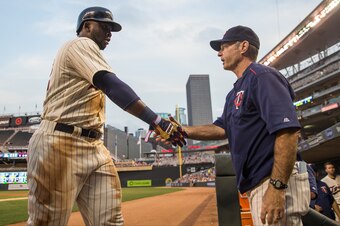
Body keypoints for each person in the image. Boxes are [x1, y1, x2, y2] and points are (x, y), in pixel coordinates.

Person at [27, 6, 185, 226]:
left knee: (110, 221)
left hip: (94, 147)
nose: (110, 33)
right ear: (87, 26)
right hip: (59, 142)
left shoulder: (90, 54)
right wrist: (156, 120)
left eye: (112, 28)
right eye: (105, 26)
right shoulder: (80, 44)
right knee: (48, 222)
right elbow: (112, 85)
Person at [180, 25, 310, 225]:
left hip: (272, 180)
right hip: (258, 183)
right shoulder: (234, 93)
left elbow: (288, 131)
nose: (219, 53)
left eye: (224, 47)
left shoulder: (263, 76)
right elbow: (221, 128)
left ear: (243, 47)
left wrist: (276, 187)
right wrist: (183, 130)